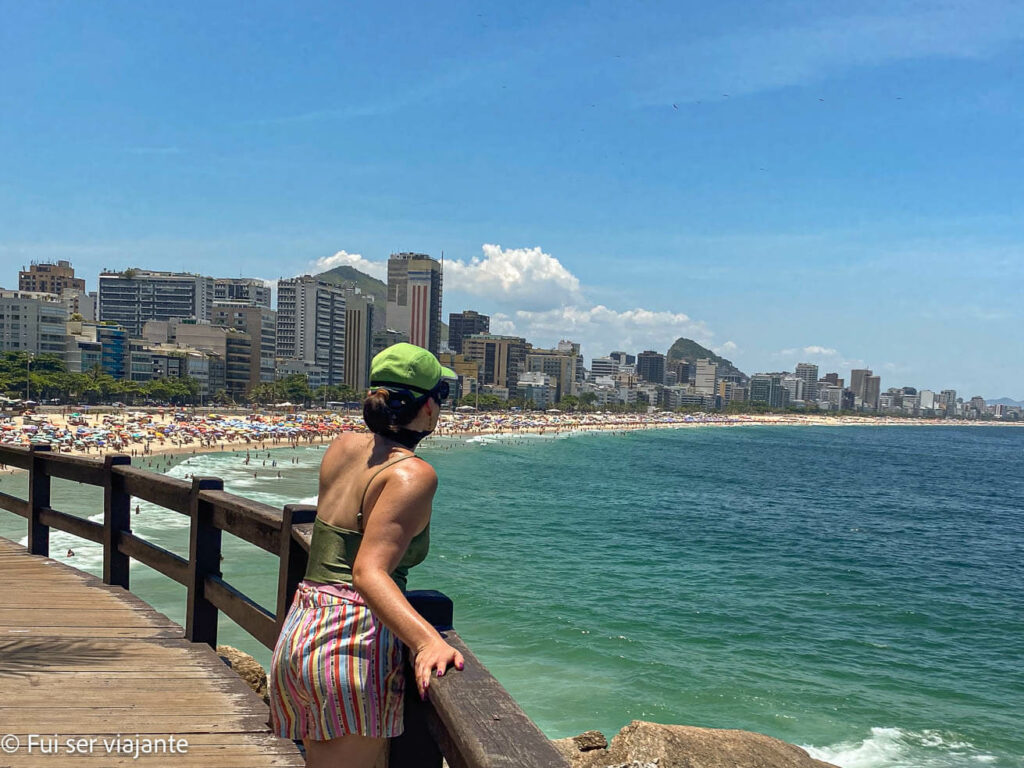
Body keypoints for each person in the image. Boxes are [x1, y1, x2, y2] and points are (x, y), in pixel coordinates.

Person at [269, 343, 463, 768]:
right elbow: (368, 572)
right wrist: (428, 640)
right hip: (352, 642)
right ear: (429, 407)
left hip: (302, 627)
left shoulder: (341, 446)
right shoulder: (412, 473)